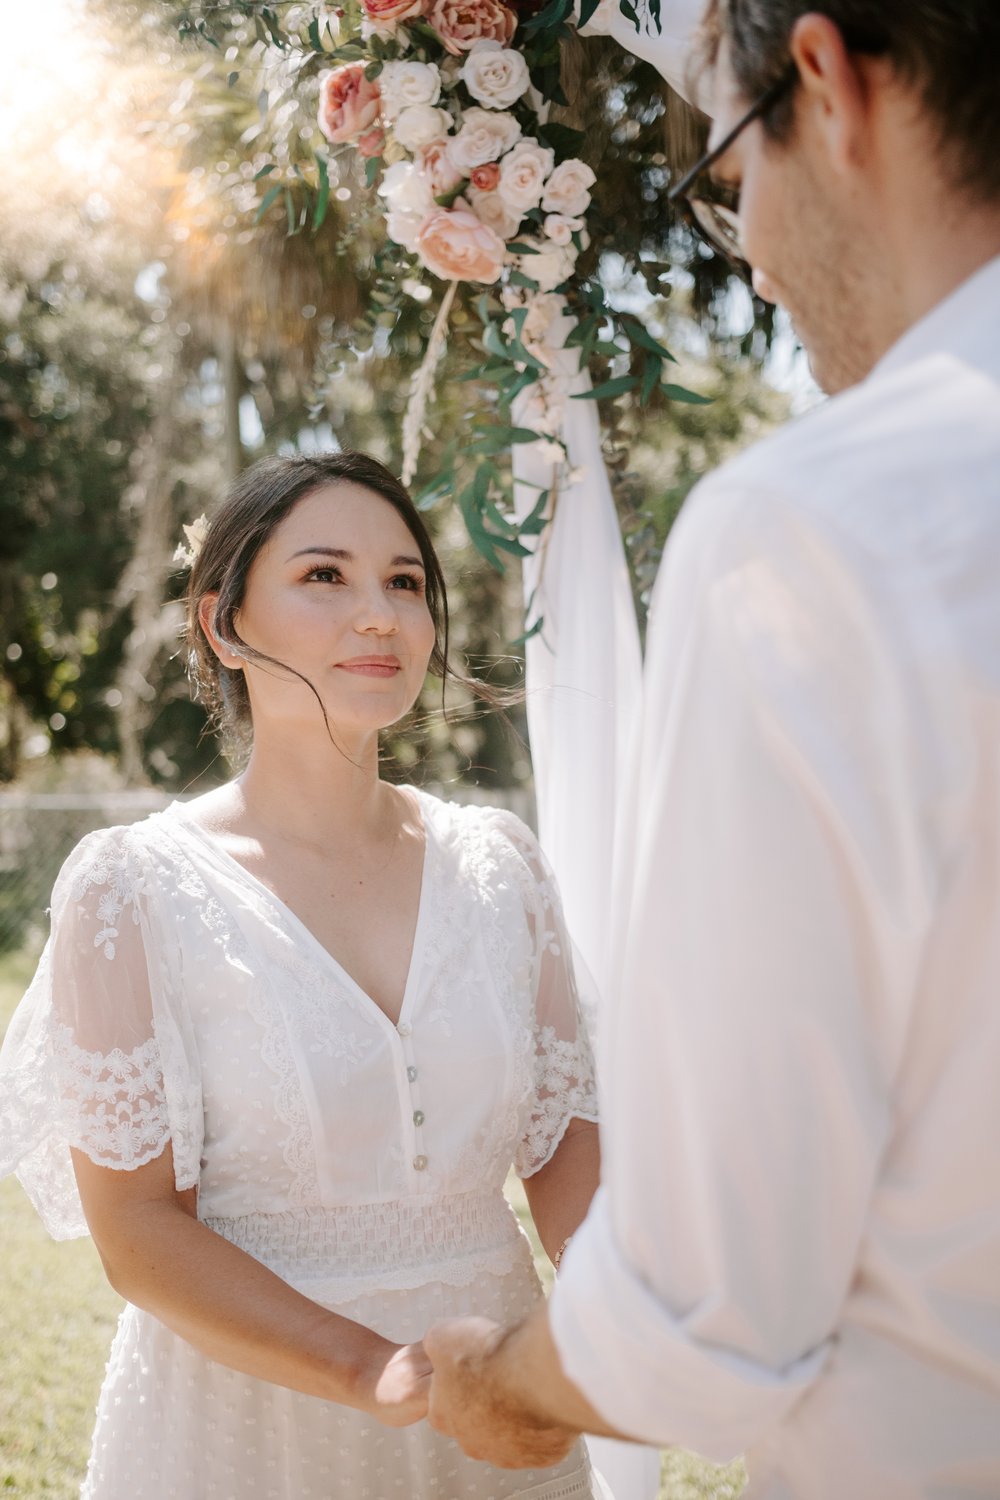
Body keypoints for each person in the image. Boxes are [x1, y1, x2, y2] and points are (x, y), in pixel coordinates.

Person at [424, 2, 1000, 1496]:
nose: (748, 243)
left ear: (829, 82)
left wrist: (506, 1383)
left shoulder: (824, 530)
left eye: (735, 165)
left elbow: (712, 1304)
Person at [0, 451, 603, 1499]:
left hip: (492, 1405)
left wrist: (611, 1339)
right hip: (242, 1428)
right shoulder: (133, 889)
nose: (380, 615)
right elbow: (138, 1234)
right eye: (324, 576)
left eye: (406, 582)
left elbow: (564, 1155)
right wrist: (376, 1372)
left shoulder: (500, 866)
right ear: (223, 624)